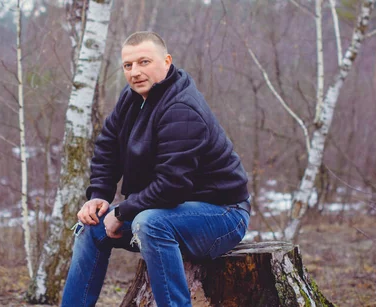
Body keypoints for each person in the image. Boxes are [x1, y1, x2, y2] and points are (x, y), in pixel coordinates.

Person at [61, 31, 250, 307]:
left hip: (223, 215)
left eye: (144, 62)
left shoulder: (182, 109)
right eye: (128, 65)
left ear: (167, 61)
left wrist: (122, 212)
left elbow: (172, 186)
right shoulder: (133, 98)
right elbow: (107, 146)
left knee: (150, 223)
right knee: (91, 226)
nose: (135, 72)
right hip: (166, 209)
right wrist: (99, 196)